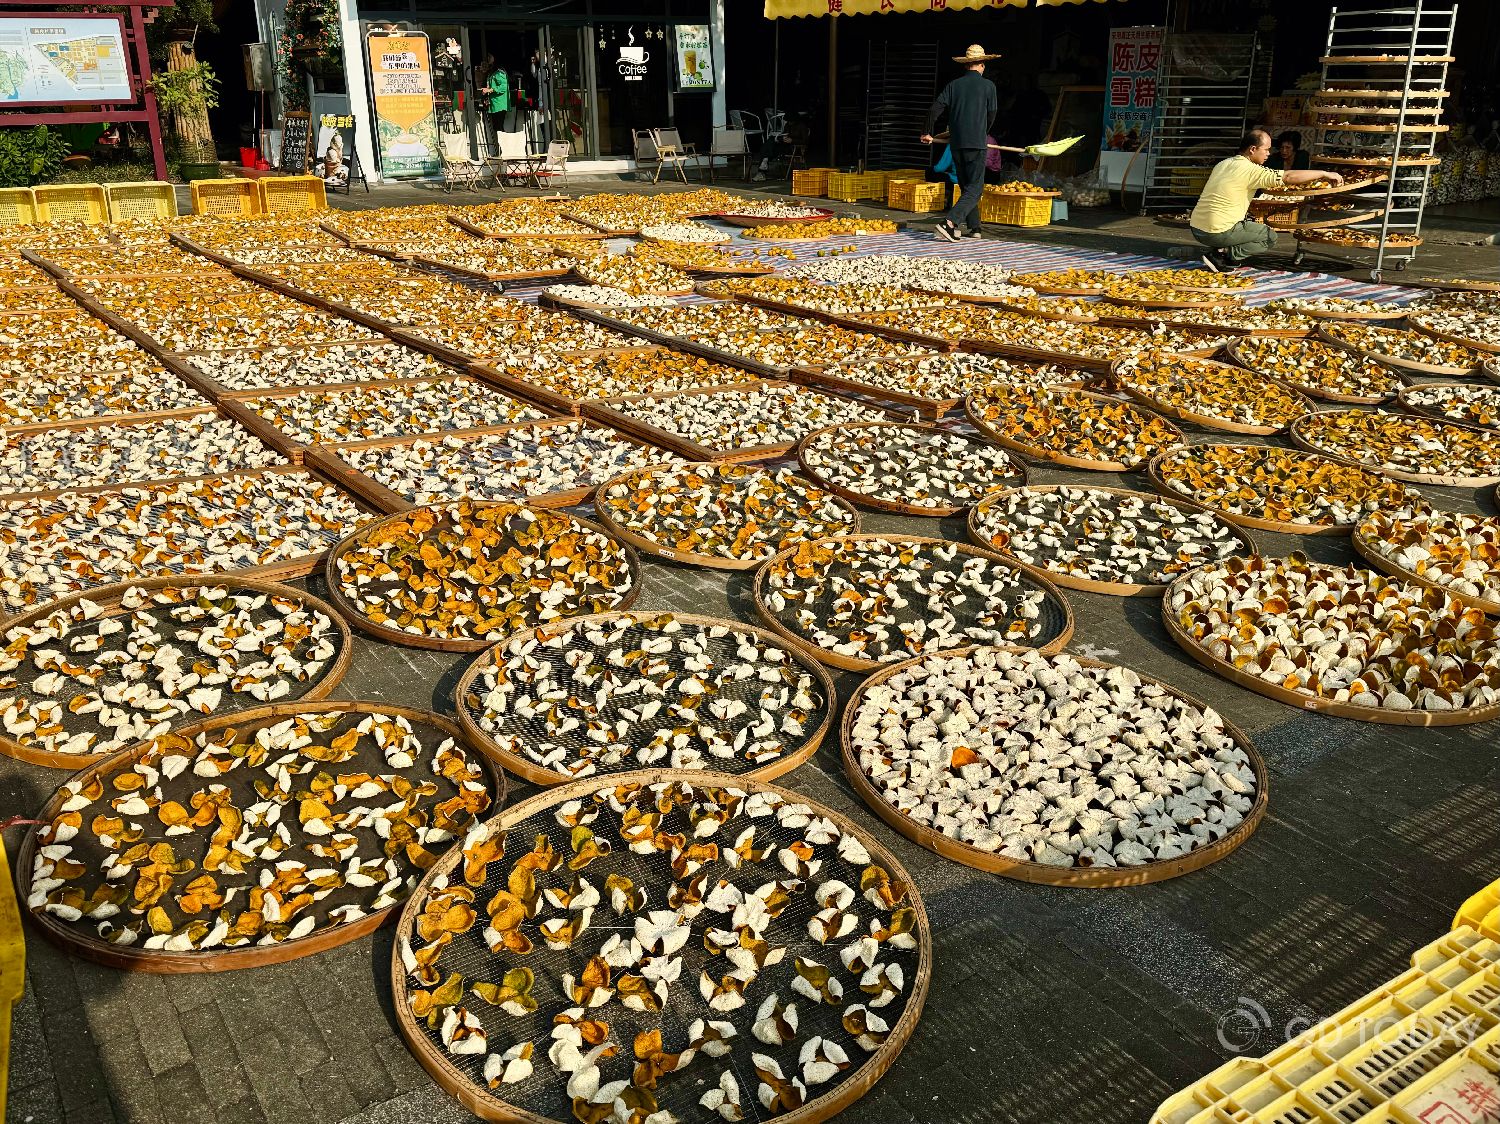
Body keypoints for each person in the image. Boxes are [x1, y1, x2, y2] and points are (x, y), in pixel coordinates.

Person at [1191, 128, 1344, 271]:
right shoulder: (1250, 170)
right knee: (1269, 236)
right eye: (1266, 149)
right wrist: (1324, 173)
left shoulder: (1223, 163)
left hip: (1197, 228)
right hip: (1216, 231)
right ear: (1252, 149)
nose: (1268, 154)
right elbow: (1288, 176)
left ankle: (1219, 248)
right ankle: (1223, 256)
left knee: (1244, 223)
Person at [920, 44, 1000, 242]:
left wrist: (926, 132)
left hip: (956, 143)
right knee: (975, 188)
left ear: (966, 66)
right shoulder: (988, 86)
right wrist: (983, 132)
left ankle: (975, 227)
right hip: (976, 143)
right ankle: (949, 223)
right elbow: (992, 115)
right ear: (982, 64)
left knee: (966, 185)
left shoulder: (954, 85)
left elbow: (934, 109)